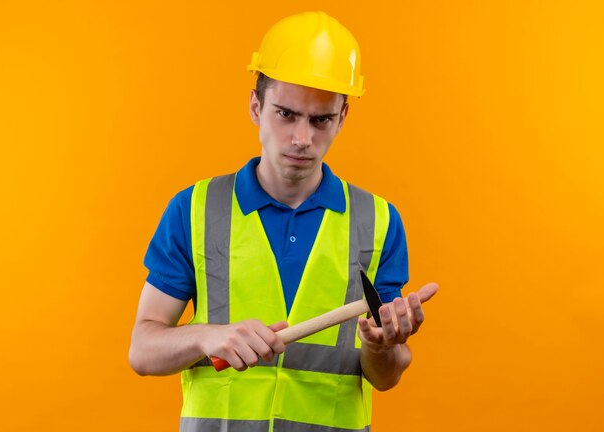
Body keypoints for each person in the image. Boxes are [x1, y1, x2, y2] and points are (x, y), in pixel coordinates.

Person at [129, 11, 438, 432]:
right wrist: (207, 336)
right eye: (286, 114)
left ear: (343, 117)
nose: (302, 139)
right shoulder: (195, 209)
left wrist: (381, 347)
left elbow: (385, 376)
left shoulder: (378, 221)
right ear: (256, 107)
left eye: (320, 120)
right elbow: (142, 350)